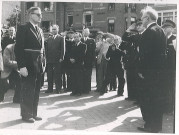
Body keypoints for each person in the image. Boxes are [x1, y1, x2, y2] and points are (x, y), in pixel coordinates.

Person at [137, 6, 167, 133]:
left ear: (147, 18)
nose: (141, 20)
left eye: (142, 18)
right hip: (159, 72)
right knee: (156, 99)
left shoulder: (149, 32)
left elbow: (145, 55)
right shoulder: (161, 30)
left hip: (148, 73)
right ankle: (156, 126)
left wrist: (141, 71)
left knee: (147, 99)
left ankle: (149, 125)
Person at [14, 7, 45, 123]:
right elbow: (18, 49)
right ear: (30, 15)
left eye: (41, 15)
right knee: (27, 89)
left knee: (36, 90)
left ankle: (33, 113)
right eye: (38, 14)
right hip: (27, 64)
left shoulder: (40, 30)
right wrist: (21, 66)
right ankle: (26, 115)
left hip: (39, 64)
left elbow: (42, 49)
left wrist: (44, 63)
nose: (40, 17)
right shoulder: (23, 29)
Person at [121, 19, 145, 103]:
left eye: (140, 25)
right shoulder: (136, 36)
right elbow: (124, 38)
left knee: (139, 81)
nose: (138, 27)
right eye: (137, 25)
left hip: (141, 61)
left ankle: (140, 99)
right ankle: (133, 96)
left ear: (144, 25)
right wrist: (128, 29)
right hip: (132, 61)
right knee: (132, 80)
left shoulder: (146, 35)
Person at [45, 24, 65, 94]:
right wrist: (46, 58)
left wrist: (61, 57)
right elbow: (46, 50)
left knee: (58, 75)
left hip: (58, 60)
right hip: (50, 60)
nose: (53, 30)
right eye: (52, 29)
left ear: (58, 30)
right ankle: (49, 89)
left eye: (55, 29)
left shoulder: (61, 38)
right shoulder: (49, 39)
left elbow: (63, 49)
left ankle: (58, 89)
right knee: (49, 75)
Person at [162, 20, 176, 114]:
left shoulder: (175, 39)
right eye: (164, 27)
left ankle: (171, 108)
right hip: (163, 68)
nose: (165, 29)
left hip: (172, 68)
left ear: (172, 28)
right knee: (164, 88)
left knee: (171, 88)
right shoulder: (162, 39)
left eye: (167, 27)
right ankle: (166, 107)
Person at [69, 32, 87, 96]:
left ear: (80, 37)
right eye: (75, 37)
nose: (76, 38)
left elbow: (82, 55)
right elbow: (71, 54)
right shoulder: (73, 45)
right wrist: (70, 59)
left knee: (79, 78)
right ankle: (74, 91)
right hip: (73, 65)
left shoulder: (83, 45)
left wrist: (75, 60)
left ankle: (79, 91)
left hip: (79, 64)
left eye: (77, 37)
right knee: (73, 78)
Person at [81, 28, 96, 94]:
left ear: (89, 33)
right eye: (84, 32)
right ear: (82, 33)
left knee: (88, 75)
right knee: (82, 75)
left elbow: (93, 52)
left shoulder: (92, 41)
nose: (86, 33)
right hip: (81, 61)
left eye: (87, 32)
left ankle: (87, 89)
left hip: (89, 61)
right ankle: (82, 88)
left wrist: (93, 61)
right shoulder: (80, 40)